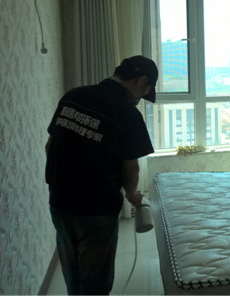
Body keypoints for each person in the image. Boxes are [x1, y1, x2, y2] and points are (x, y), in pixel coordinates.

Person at [45, 55, 158, 295]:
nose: (140, 98)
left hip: (59, 201)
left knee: (72, 272)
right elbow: (131, 167)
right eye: (144, 92)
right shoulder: (128, 114)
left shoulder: (73, 96)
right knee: (95, 281)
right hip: (97, 208)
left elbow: (50, 146)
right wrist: (132, 195)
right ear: (141, 81)